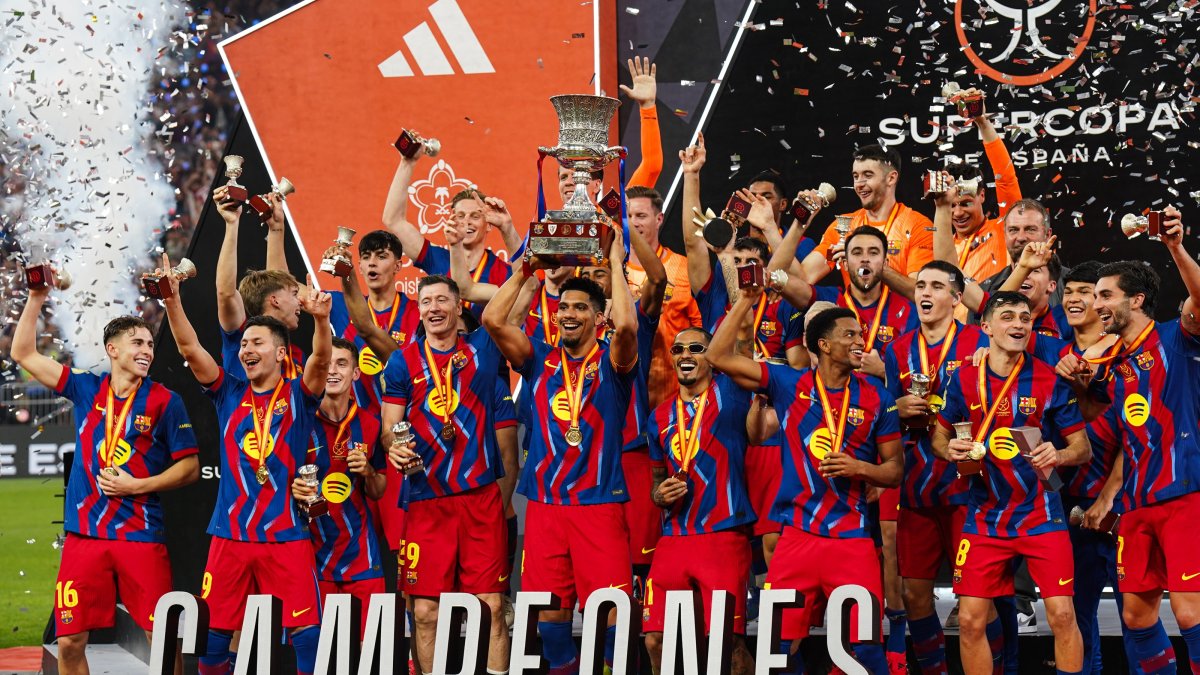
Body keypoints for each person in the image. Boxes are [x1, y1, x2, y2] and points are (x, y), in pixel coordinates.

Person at [708, 302, 903, 674]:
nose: (861, 341)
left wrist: (859, 467)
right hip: (797, 538)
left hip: (852, 539)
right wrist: (748, 299)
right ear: (824, 346)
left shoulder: (878, 397)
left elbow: (895, 472)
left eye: (861, 333)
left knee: (867, 651)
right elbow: (717, 356)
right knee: (775, 649)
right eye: (850, 334)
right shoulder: (788, 383)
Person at [12, 287, 199, 675]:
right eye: (137, 343)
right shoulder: (86, 386)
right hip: (85, 537)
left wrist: (137, 486)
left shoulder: (165, 401)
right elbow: (24, 355)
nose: (147, 349)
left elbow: (190, 468)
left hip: (140, 537)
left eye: (149, 343)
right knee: (69, 641)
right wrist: (35, 297)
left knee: (160, 638)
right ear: (112, 350)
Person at [163, 258, 333, 675]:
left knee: (307, 633)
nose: (246, 350)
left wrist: (323, 323)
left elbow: (321, 362)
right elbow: (190, 348)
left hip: (285, 534)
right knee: (214, 638)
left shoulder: (298, 395)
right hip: (231, 535)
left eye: (255, 343)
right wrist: (171, 301)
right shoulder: (227, 392)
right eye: (243, 344)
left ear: (278, 352)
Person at [482, 229, 638, 674]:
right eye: (564, 306)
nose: (569, 313)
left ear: (598, 316)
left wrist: (614, 261)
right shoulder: (540, 358)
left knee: (610, 621)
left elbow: (627, 325)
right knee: (548, 622)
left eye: (579, 307)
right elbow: (495, 321)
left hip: (598, 508)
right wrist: (526, 269)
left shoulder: (613, 363)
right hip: (547, 509)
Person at [933, 291, 1089, 675]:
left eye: (1024, 317)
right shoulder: (963, 379)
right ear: (985, 326)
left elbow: (1081, 448)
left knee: (1062, 615)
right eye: (1007, 317)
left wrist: (1059, 455)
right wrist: (949, 447)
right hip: (985, 517)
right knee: (969, 621)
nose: (1018, 324)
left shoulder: (1048, 379)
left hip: (1041, 513)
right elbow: (937, 438)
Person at [1087, 206, 1200, 675]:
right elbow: (1113, 433)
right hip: (1136, 505)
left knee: (1192, 611)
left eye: (1105, 296)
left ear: (1136, 301)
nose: (1096, 305)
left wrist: (1175, 247)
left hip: (1186, 495)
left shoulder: (1178, 338)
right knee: (1136, 615)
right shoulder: (1112, 364)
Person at [380, 274, 512, 674]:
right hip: (426, 501)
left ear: (459, 308)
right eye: (425, 302)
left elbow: (510, 304)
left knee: (489, 607)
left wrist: (527, 261)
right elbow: (389, 428)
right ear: (417, 310)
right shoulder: (403, 360)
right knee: (425, 612)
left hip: (479, 499)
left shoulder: (484, 349)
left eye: (442, 300)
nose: (433, 308)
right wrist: (394, 447)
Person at [878, 260, 988, 675]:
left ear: (957, 298)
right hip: (917, 486)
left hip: (967, 488)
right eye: (920, 285)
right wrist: (896, 406)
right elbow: (881, 416)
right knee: (916, 596)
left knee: (979, 598)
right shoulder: (897, 349)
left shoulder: (979, 341)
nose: (924, 293)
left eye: (937, 286)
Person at [643, 327, 761, 675]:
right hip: (674, 539)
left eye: (696, 348)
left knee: (728, 644)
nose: (685, 355)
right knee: (655, 640)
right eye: (678, 349)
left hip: (723, 537)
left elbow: (743, 345)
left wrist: (743, 295)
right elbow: (654, 484)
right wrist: (659, 494)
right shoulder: (659, 417)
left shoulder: (733, 393)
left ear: (712, 358)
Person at [291, 337, 386, 630]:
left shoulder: (371, 424)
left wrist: (369, 471)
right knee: (316, 653)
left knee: (370, 649)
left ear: (356, 373)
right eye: (327, 363)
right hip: (312, 555)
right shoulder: (299, 422)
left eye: (342, 364)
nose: (332, 371)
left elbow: (379, 489)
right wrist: (294, 490)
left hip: (361, 554)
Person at [801, 144, 934, 282]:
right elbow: (804, 277)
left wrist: (865, 263)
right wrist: (797, 224)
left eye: (867, 175)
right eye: (856, 176)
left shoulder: (917, 226)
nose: (859, 184)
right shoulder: (842, 227)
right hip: (851, 304)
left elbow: (919, 291)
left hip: (900, 304)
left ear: (891, 178)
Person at [212, 185, 306, 380]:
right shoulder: (240, 337)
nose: (301, 302)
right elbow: (226, 293)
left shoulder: (296, 356)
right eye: (294, 294)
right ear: (275, 300)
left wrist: (276, 228)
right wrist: (232, 224)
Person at [623, 185, 703, 409]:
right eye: (627, 216)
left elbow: (701, 330)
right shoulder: (609, 272)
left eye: (640, 216)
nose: (633, 223)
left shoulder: (684, 268)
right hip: (624, 400)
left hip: (675, 398)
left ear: (659, 219)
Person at [943, 88, 1021, 285]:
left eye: (966, 203)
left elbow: (1006, 178)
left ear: (982, 195)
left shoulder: (1005, 229)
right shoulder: (941, 246)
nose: (958, 213)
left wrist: (982, 122)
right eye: (951, 205)